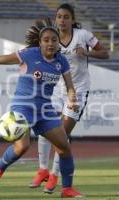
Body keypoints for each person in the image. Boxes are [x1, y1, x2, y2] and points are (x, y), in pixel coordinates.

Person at [0, 17, 83, 198]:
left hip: (45, 110)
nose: (50, 43)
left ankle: (67, 189)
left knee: (64, 147)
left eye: (54, 39)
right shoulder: (29, 54)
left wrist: (73, 101)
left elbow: (70, 87)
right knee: (22, 147)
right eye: (46, 40)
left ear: (58, 41)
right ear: (40, 42)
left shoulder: (62, 61)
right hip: (23, 107)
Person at [29, 3, 109, 193]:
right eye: (59, 17)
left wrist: (87, 52)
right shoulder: (52, 37)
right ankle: (42, 170)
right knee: (46, 128)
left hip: (78, 90)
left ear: (72, 20)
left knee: (61, 135)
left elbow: (106, 53)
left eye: (66, 17)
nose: (62, 20)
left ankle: (55, 176)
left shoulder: (83, 36)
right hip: (56, 89)